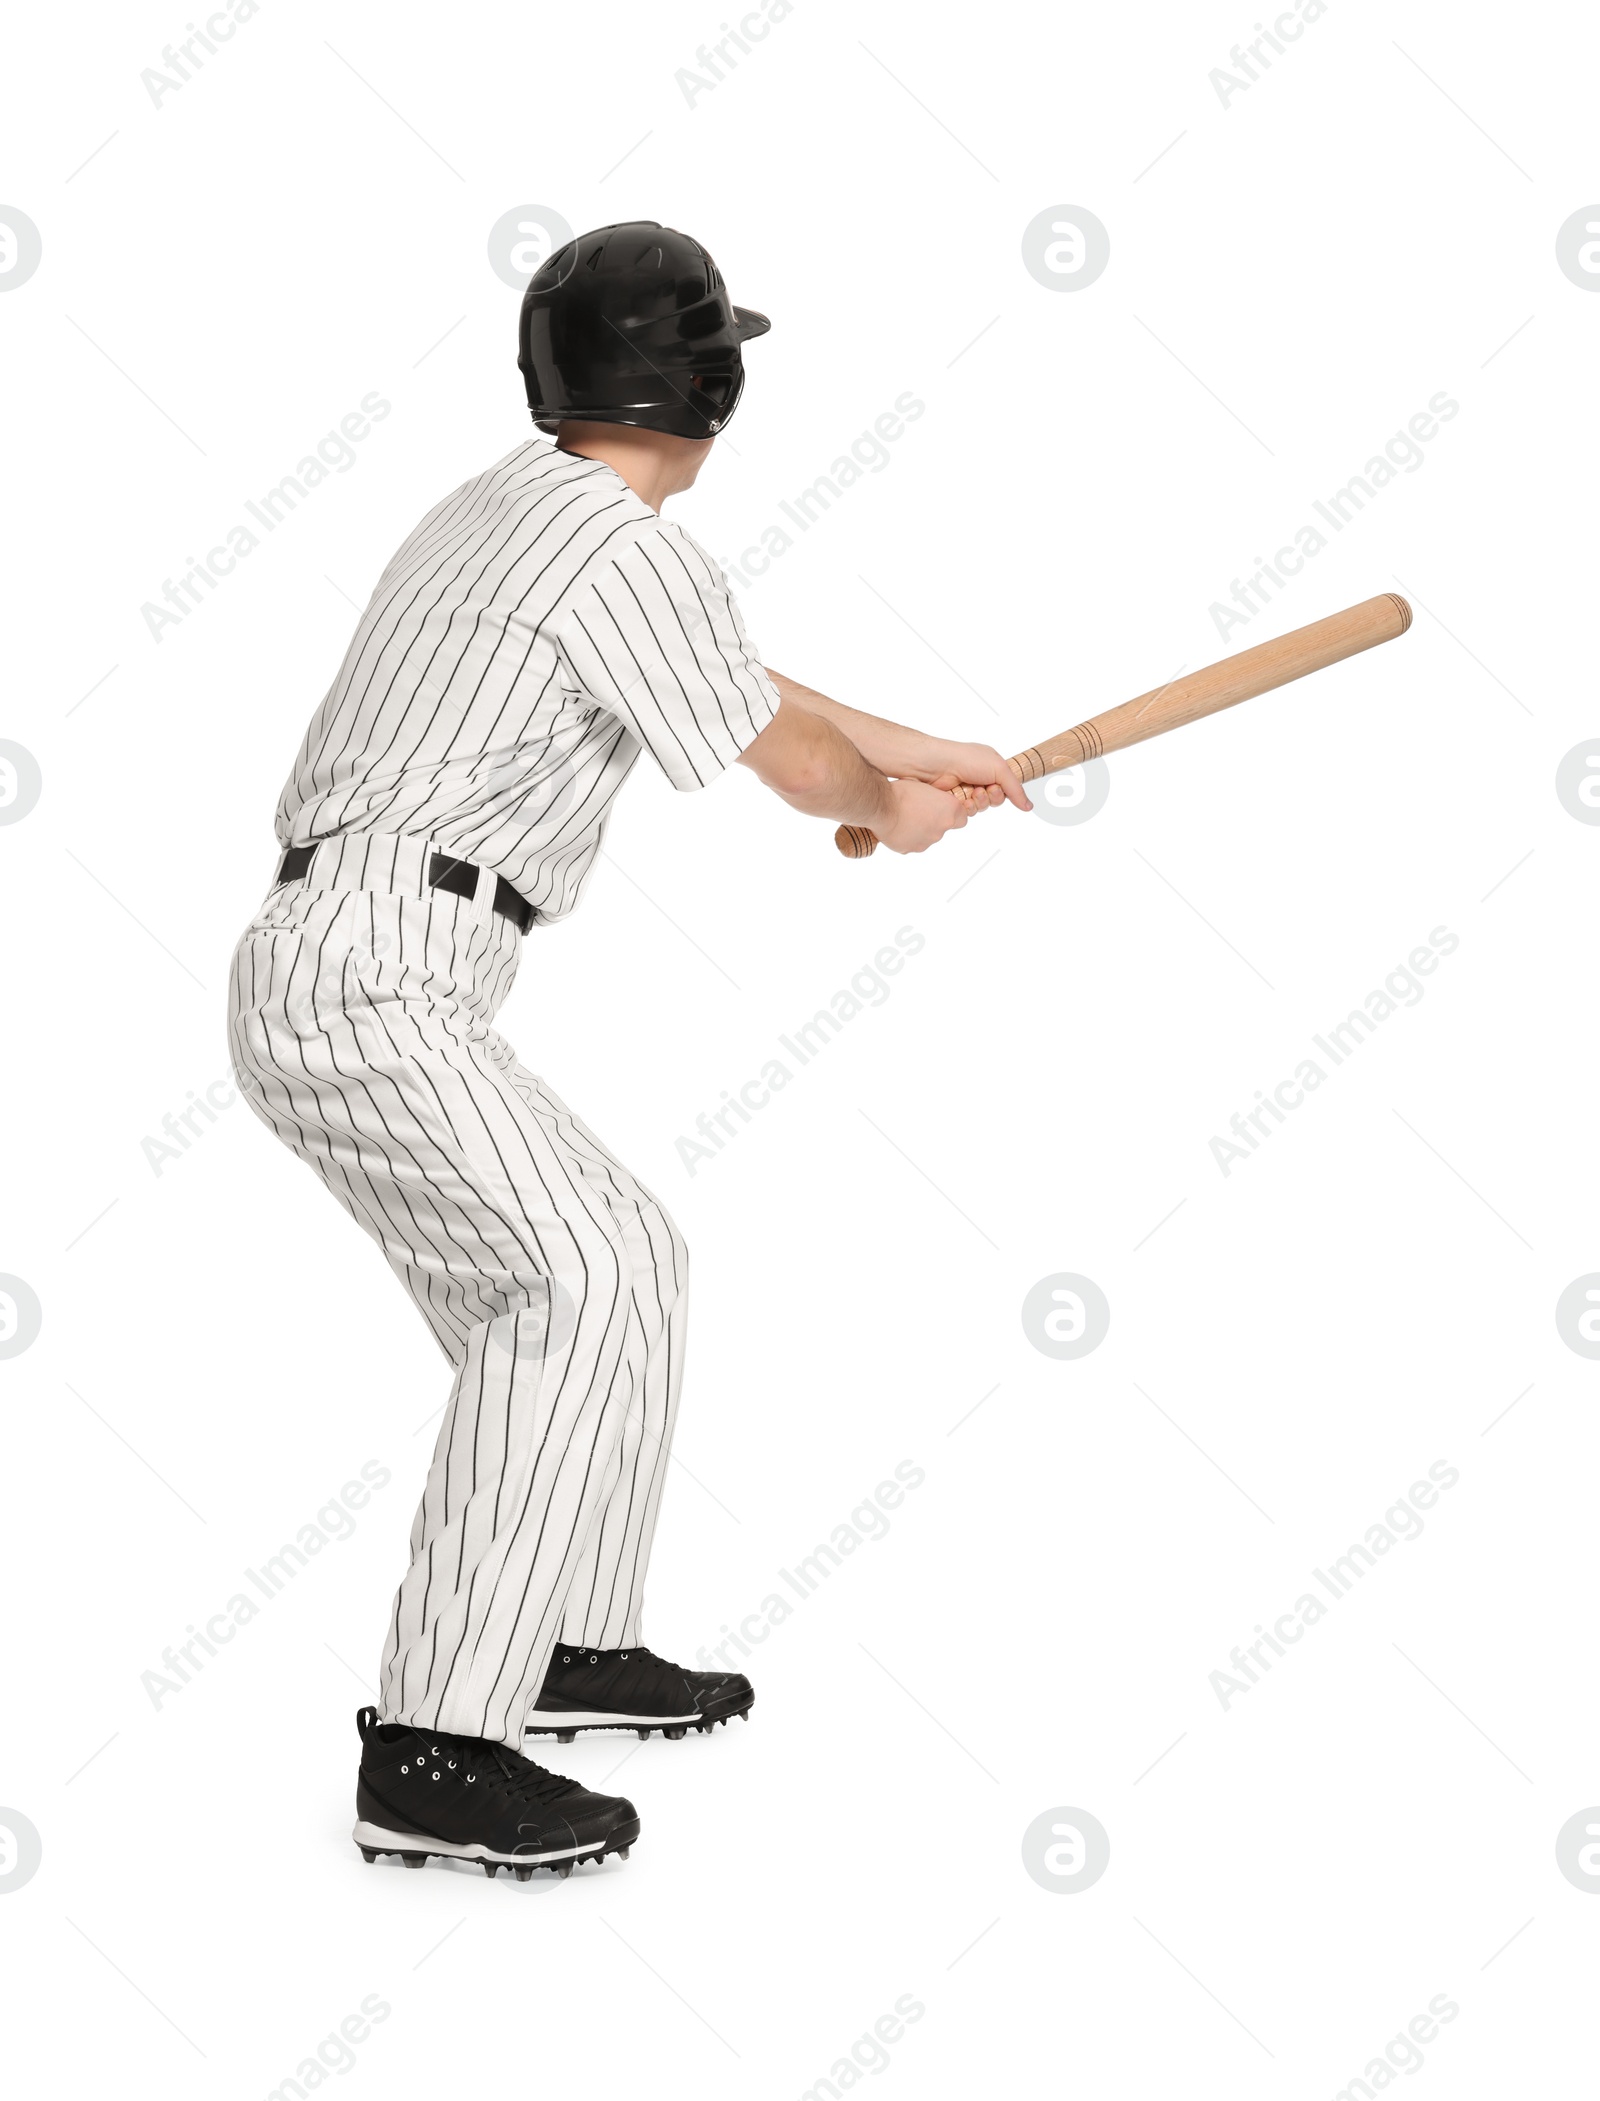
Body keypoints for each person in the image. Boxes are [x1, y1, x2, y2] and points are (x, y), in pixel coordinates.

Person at [226, 220, 1031, 1881]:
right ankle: (438, 1743)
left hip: (363, 965)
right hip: (371, 972)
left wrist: (918, 751)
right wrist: (879, 800)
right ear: (710, 384)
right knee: (579, 1271)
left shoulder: (524, 513)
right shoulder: (620, 547)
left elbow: (741, 687)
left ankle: (566, 1638)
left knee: (622, 1265)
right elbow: (783, 749)